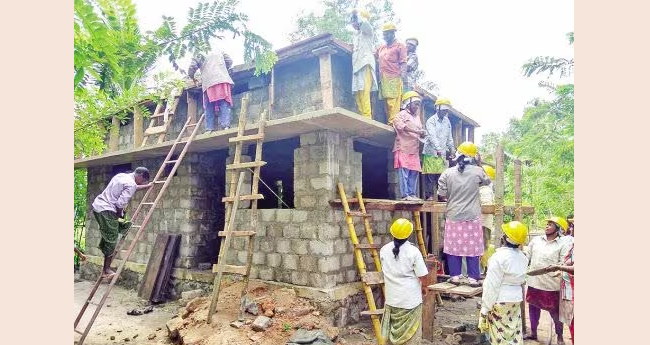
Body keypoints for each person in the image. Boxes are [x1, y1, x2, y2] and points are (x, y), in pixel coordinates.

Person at [437, 141, 491, 287]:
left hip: (453, 215)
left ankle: (455, 277)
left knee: (453, 247)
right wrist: (478, 166)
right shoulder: (478, 171)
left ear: (458, 155)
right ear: (473, 157)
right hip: (472, 216)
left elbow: (441, 193)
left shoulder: (447, 173)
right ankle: (473, 278)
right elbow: (487, 182)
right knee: (473, 247)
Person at [91, 167, 152, 280]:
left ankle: (106, 263)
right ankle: (106, 270)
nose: (142, 183)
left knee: (110, 234)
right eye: (143, 181)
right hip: (107, 210)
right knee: (112, 238)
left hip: (98, 206)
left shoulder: (121, 176)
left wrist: (146, 186)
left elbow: (133, 187)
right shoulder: (131, 184)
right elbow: (120, 204)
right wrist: (120, 215)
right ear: (141, 176)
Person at [478, 221, 529, 345]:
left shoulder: (498, 257)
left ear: (505, 238)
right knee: (513, 331)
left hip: (500, 300)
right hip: (516, 300)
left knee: (499, 335)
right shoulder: (523, 257)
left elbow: (492, 286)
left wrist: (485, 309)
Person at [380, 218, 429, 345]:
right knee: (411, 337)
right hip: (410, 300)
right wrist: (424, 287)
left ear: (392, 233)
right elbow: (423, 275)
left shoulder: (384, 250)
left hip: (392, 299)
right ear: (409, 234)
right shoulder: (413, 251)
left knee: (392, 333)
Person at [523, 216, 571, 345]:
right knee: (533, 308)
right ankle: (533, 333)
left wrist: (558, 271)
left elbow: (563, 262)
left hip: (551, 285)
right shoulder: (536, 240)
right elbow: (527, 256)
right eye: (547, 223)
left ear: (558, 229)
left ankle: (560, 337)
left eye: (551, 224)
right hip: (534, 281)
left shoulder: (563, 244)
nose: (547, 226)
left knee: (555, 312)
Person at [188, 48, 235, 133]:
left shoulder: (199, 53)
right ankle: (225, 126)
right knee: (224, 102)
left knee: (209, 106)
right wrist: (223, 69)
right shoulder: (220, 51)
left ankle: (209, 129)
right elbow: (229, 61)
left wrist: (192, 77)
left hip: (208, 82)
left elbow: (192, 67)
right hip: (222, 79)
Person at [393, 91, 426, 201]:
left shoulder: (417, 117)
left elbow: (419, 131)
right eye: (415, 104)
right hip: (403, 147)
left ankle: (412, 194)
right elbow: (401, 127)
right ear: (408, 103)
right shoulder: (400, 115)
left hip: (414, 149)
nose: (417, 107)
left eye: (418, 104)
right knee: (404, 173)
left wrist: (422, 133)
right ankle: (405, 195)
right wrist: (417, 132)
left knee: (414, 172)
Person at [421, 98, 455, 200]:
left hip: (442, 153)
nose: (445, 112)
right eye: (444, 110)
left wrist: (452, 149)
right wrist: (438, 148)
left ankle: (441, 195)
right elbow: (432, 136)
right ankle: (429, 195)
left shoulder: (447, 121)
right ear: (438, 109)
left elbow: (449, 137)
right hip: (431, 152)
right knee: (430, 175)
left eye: (446, 110)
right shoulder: (431, 121)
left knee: (441, 176)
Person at [376, 22, 408, 125]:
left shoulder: (400, 46)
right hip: (383, 78)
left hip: (394, 77)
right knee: (386, 102)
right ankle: (390, 122)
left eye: (387, 34)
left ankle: (393, 123)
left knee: (393, 102)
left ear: (393, 33)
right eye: (384, 34)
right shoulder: (382, 47)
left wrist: (403, 79)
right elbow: (374, 55)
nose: (385, 36)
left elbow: (403, 63)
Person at [350, 9, 378, 119]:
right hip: (356, 67)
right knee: (357, 92)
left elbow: (365, 23)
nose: (353, 22)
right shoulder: (356, 35)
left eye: (355, 20)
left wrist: (356, 14)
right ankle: (362, 116)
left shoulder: (368, 31)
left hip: (365, 64)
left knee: (365, 92)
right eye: (352, 20)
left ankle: (367, 117)